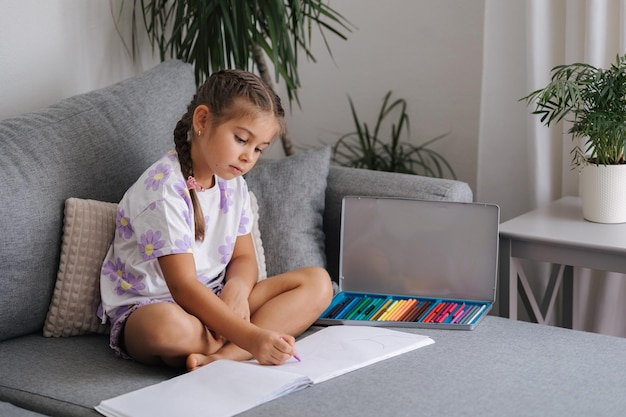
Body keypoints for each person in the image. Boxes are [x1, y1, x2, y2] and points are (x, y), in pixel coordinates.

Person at [98, 69, 333, 371]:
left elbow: (245, 256)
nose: (249, 156)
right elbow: (182, 286)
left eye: (259, 148)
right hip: (155, 306)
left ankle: (220, 357)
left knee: (318, 283)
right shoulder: (163, 189)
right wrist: (251, 335)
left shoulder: (232, 182)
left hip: (215, 297)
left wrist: (236, 289)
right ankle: (242, 345)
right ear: (203, 121)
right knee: (169, 329)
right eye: (241, 139)